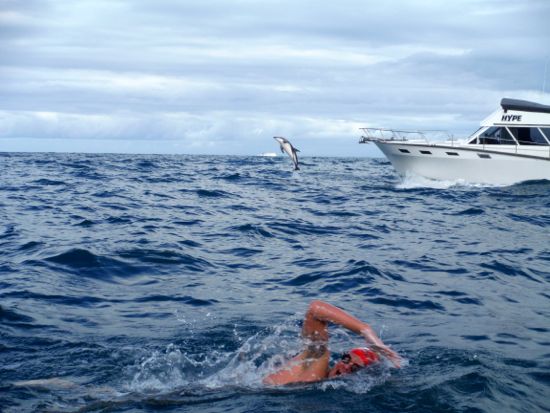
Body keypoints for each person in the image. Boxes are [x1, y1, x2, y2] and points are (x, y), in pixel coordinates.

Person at [263, 300, 401, 385]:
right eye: (346, 360)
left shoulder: (320, 378)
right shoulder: (317, 362)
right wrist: (366, 331)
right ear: (340, 358)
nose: (346, 367)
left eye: (354, 368)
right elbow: (315, 309)